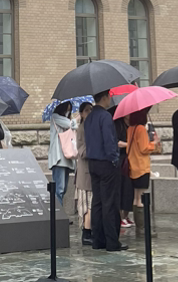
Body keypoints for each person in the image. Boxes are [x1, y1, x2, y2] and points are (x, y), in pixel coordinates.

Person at [84, 91, 126, 252]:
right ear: (104, 97)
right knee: (110, 202)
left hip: (92, 162)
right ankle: (112, 241)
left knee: (97, 201)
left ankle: (98, 240)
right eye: (109, 96)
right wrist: (114, 159)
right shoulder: (105, 116)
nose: (110, 99)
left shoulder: (89, 117)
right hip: (106, 163)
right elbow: (109, 141)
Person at [125, 108, 159, 221]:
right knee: (140, 198)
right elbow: (144, 148)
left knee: (136, 197)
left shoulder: (130, 129)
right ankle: (141, 225)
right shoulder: (141, 129)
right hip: (142, 167)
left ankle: (138, 223)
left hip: (133, 166)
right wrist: (154, 143)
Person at [48, 101, 76, 208]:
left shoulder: (66, 119)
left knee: (63, 189)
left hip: (67, 157)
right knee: (59, 189)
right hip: (59, 159)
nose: (68, 112)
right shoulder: (55, 117)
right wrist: (75, 119)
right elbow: (71, 124)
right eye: (67, 110)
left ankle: (59, 212)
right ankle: (57, 214)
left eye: (69, 110)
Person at [75, 101, 93, 245]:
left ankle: (89, 231)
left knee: (91, 204)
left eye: (91, 110)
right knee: (87, 205)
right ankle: (86, 233)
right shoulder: (82, 129)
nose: (89, 112)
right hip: (85, 173)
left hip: (91, 172)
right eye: (86, 110)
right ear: (81, 113)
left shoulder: (90, 127)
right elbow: (82, 151)